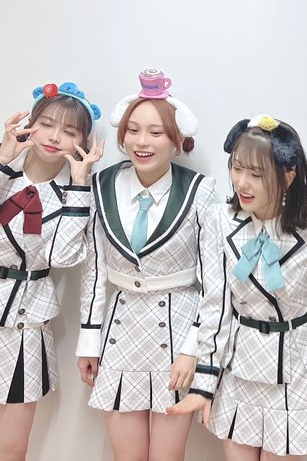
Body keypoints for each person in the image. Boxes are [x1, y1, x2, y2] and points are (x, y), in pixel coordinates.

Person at [167, 114, 307, 460]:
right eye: (237, 168)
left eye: (256, 174)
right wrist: (204, 384)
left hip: (298, 372)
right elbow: (215, 306)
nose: (242, 183)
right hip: (240, 368)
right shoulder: (218, 220)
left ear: (288, 175)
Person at [0, 81, 104, 460]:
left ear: (83, 142)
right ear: (29, 124)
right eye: (47, 124)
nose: (55, 137)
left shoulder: (80, 193)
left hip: (23, 317)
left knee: (11, 448)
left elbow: (62, 257)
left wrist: (80, 186)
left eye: (70, 131)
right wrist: (1, 161)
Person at [76, 69, 216, 461]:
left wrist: (194, 348)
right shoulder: (100, 185)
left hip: (177, 331)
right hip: (119, 332)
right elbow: (94, 271)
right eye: (133, 130)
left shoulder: (200, 190)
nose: (141, 142)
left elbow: (214, 281)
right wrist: (89, 341)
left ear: (177, 140)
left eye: (156, 132)